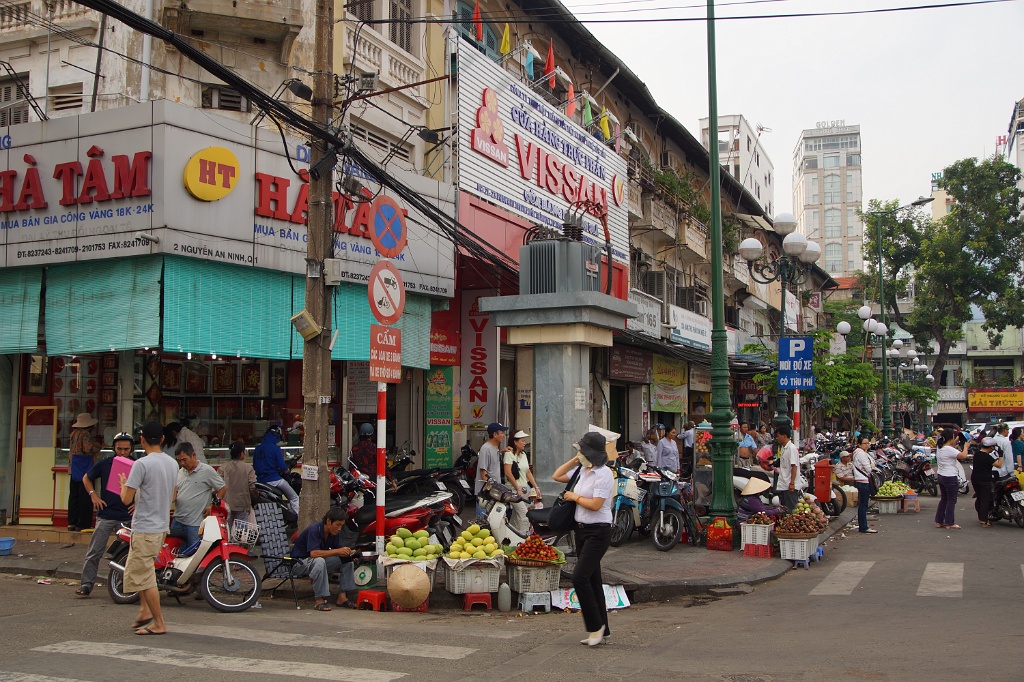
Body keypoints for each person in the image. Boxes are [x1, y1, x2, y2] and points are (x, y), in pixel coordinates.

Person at [552, 431, 614, 647]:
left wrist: (575, 497)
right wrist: (575, 459)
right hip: (581, 531)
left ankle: (595, 626)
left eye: (583, 451)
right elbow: (557, 475)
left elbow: (596, 504)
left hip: (599, 531)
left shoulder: (603, 474)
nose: (581, 454)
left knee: (580, 577)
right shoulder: (582, 471)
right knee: (593, 579)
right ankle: (602, 629)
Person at [118, 420, 178, 636]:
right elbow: (173, 495)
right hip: (161, 525)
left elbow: (126, 499)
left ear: (141, 440)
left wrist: (123, 485)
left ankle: (159, 622)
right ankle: (144, 610)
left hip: (145, 526)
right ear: (162, 439)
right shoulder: (172, 463)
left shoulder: (141, 464)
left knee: (144, 575)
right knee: (144, 571)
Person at [76, 432, 136, 597]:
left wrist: (138, 503)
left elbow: (146, 487)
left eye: (126, 449)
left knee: (130, 554)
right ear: (114, 448)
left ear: (131, 449)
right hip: (106, 515)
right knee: (94, 551)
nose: (122, 452)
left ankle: (124, 584)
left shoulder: (137, 465)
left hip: (127, 517)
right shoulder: (104, 463)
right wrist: (93, 495)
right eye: (119, 449)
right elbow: (86, 478)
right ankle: (86, 584)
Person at [290, 507, 358, 611]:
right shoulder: (314, 530)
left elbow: (338, 551)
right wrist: (337, 551)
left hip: (316, 563)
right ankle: (319, 600)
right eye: (337, 525)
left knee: (346, 560)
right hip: (299, 563)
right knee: (319, 561)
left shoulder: (334, 533)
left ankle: (342, 597)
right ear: (328, 521)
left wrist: (349, 555)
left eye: (341, 526)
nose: (339, 528)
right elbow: (314, 554)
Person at [171, 442, 226, 549]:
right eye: (179, 460)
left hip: (195, 524)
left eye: (184, 459)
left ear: (193, 455)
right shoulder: (180, 472)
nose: (182, 463)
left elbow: (223, 488)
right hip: (178, 520)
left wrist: (213, 506)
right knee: (175, 553)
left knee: (195, 554)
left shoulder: (206, 471)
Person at [253, 424, 299, 515]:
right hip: (275, 480)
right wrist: (286, 471)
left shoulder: (257, 448)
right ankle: (299, 520)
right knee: (294, 497)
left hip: (260, 481)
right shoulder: (275, 448)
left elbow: (255, 465)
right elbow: (283, 467)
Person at [68, 413, 101, 531]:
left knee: (74, 496)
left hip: (74, 468)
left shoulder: (73, 433)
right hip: (84, 468)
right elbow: (88, 449)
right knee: (85, 496)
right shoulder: (85, 434)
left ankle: (71, 522)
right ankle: (83, 523)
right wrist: (98, 446)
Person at [503, 430, 539, 532]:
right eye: (522, 441)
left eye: (525, 441)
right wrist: (517, 488)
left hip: (524, 490)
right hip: (513, 491)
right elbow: (508, 473)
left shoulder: (523, 455)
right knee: (525, 515)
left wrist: (536, 487)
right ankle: (523, 539)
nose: (524, 443)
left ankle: (510, 537)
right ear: (515, 442)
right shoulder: (509, 454)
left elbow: (528, 472)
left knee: (517, 516)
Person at [934, 428, 969, 530]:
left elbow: (951, 446)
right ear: (951, 439)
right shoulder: (949, 449)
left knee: (944, 499)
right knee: (951, 500)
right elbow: (963, 456)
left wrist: (955, 440)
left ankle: (939, 521)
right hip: (950, 477)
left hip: (941, 475)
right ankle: (949, 522)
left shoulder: (940, 447)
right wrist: (966, 447)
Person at [219, 441, 257, 531]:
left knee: (226, 530)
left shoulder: (223, 468)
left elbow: (218, 486)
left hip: (226, 506)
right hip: (242, 505)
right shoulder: (248, 468)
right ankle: (239, 545)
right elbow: (252, 487)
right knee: (240, 533)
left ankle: (227, 544)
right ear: (241, 453)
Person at [475, 422, 506, 518]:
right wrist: (488, 490)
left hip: (495, 492)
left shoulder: (495, 448)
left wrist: (502, 451)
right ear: (495, 434)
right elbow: (483, 471)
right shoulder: (485, 449)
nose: (503, 435)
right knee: (483, 522)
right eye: (502, 433)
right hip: (486, 494)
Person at [972, 437, 1002, 527]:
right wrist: (1001, 455)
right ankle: (984, 521)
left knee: (980, 499)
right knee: (985, 500)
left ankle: (981, 517)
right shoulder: (987, 457)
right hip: (985, 481)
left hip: (975, 479)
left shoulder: (977, 454)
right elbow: (999, 465)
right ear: (990, 447)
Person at [851, 437, 877, 534]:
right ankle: (863, 527)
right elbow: (869, 469)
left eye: (868, 443)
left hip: (861, 480)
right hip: (863, 481)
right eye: (865, 443)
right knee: (863, 506)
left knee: (863, 505)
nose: (867, 445)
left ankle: (863, 526)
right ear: (859, 444)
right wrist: (871, 467)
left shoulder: (857, 453)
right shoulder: (861, 454)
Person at [775, 425, 802, 511]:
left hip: (789, 485)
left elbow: (794, 466)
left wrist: (792, 483)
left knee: (792, 509)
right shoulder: (784, 448)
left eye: (778, 436)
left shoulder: (791, 448)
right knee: (786, 508)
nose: (777, 438)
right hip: (784, 483)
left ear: (784, 436)